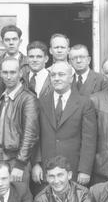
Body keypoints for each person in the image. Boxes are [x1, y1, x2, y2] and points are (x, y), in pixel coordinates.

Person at [32, 61, 97, 193]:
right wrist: (36, 164)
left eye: (61, 75)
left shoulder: (85, 103)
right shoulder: (41, 101)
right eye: (53, 75)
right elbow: (35, 135)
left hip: (73, 170)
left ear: (71, 78)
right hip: (46, 170)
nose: (56, 78)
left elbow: (89, 140)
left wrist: (84, 170)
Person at [0, 57, 39, 191]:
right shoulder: (2, 97)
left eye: (13, 72)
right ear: (0, 74)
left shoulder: (28, 98)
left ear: (20, 74)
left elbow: (30, 134)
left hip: (16, 159)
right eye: (5, 72)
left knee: (20, 199)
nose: (8, 76)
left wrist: (20, 164)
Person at [0, 25, 29, 96]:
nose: (11, 43)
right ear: (2, 42)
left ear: (20, 41)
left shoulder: (28, 63)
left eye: (14, 39)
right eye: (7, 40)